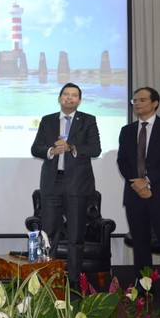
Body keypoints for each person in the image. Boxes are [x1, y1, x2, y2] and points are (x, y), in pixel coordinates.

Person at [31, 83, 101, 289]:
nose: (69, 98)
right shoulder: (48, 120)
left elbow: (95, 149)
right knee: (49, 234)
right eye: (66, 94)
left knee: (75, 236)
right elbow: (35, 148)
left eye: (74, 95)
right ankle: (48, 280)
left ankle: (74, 281)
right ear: (59, 98)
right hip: (52, 183)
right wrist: (51, 151)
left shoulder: (88, 120)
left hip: (77, 184)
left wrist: (71, 147)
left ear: (79, 100)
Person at [117, 87, 160, 299]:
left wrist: (146, 181)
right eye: (135, 100)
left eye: (142, 100)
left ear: (155, 103)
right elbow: (122, 161)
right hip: (134, 196)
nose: (137, 104)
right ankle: (144, 286)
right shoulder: (127, 130)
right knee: (140, 244)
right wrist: (137, 184)